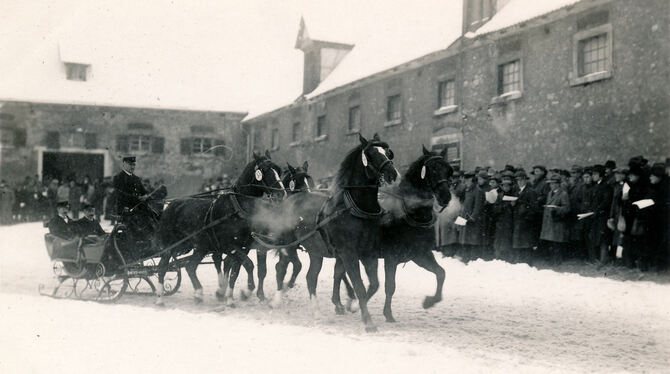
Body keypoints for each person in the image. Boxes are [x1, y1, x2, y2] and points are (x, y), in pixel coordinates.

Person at [540, 174, 571, 265]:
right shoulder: (550, 193)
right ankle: (551, 260)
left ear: (558, 184)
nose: (551, 186)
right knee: (550, 242)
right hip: (549, 222)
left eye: (553, 184)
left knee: (556, 243)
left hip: (557, 222)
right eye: (550, 184)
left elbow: (567, 208)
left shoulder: (563, 194)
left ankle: (557, 261)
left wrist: (556, 209)